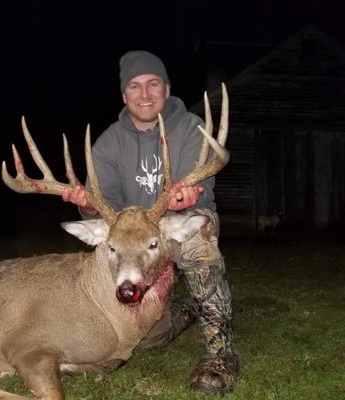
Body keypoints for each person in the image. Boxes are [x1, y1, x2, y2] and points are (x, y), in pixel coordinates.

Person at [62, 50, 240, 394]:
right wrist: (87, 208)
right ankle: (187, 310)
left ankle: (221, 351)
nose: (144, 94)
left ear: (167, 88)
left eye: (153, 83)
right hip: (134, 246)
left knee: (196, 230)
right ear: (124, 94)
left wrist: (190, 199)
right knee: (147, 338)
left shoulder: (191, 128)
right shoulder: (108, 144)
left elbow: (200, 187)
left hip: (175, 228)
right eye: (134, 86)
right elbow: (106, 213)